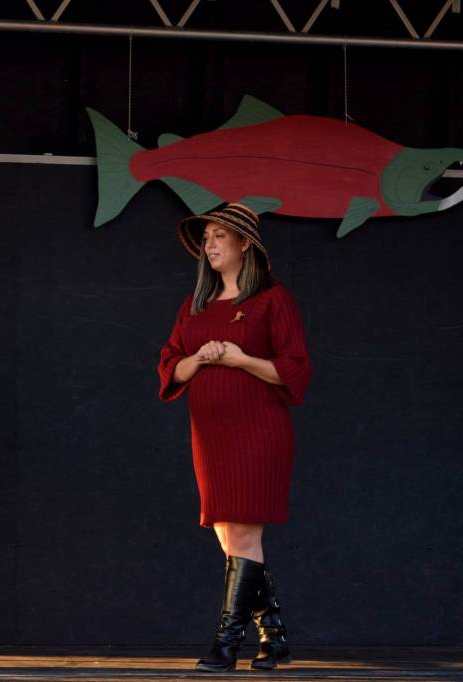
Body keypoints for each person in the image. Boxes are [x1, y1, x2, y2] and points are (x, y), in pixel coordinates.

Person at [157, 203, 310, 673]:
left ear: (246, 244)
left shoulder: (272, 300)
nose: (211, 245)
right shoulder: (196, 305)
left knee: (242, 532)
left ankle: (226, 645)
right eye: (206, 238)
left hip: (258, 431)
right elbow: (170, 368)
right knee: (229, 535)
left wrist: (241, 359)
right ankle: (275, 636)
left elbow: (295, 371)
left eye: (221, 236)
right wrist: (201, 358)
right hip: (211, 435)